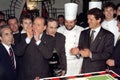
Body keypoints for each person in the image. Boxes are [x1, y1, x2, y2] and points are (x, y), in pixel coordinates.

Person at [71, 8, 114, 73]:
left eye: (91, 19)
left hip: (99, 70)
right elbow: (81, 48)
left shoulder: (108, 35)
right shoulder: (84, 33)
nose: (88, 21)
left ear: (99, 20)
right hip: (85, 69)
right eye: (88, 19)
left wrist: (91, 54)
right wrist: (77, 52)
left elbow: (107, 54)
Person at [57, 3, 84, 75]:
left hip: (77, 63)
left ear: (75, 21)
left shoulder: (82, 31)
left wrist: (82, 66)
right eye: (66, 22)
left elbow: (85, 48)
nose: (68, 24)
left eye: (71, 22)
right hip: (63, 63)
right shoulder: (59, 30)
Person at [16, 14, 33, 80]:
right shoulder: (17, 37)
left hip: (36, 70)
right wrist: (28, 38)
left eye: (30, 23)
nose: (28, 25)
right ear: (21, 24)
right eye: (25, 23)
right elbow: (18, 52)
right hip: (23, 71)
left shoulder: (37, 35)